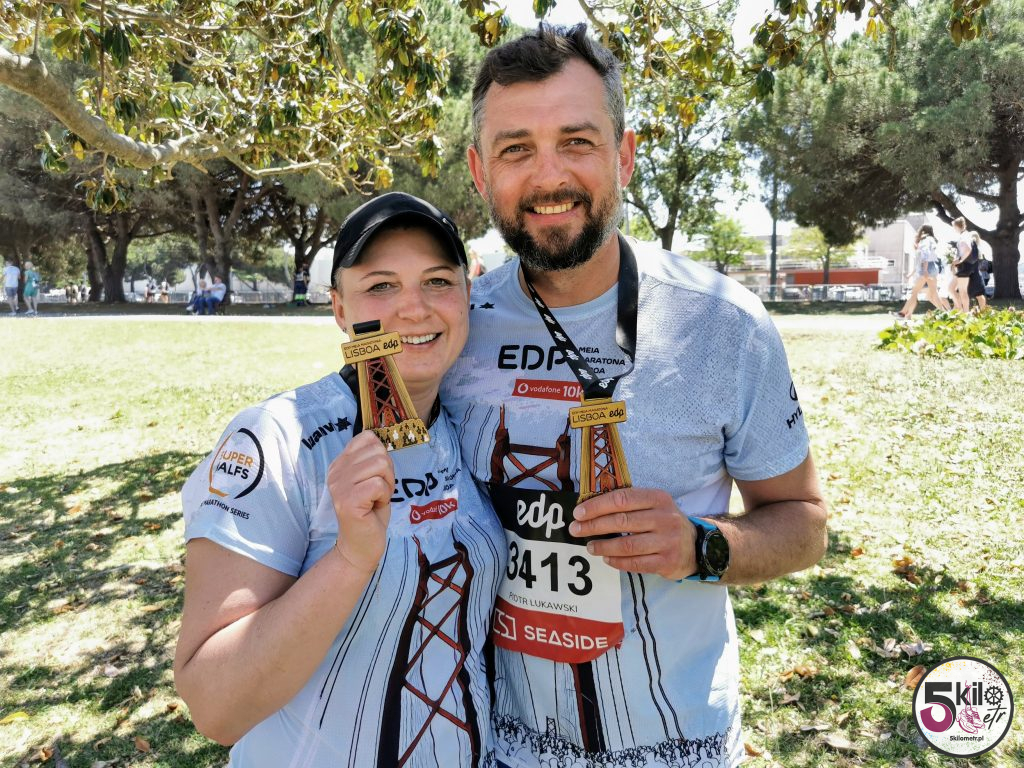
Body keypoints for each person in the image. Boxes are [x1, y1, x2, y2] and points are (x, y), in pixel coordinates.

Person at [442, 24, 828, 768]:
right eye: (516, 149)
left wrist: (701, 545)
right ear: (480, 171)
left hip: (677, 746)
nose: (548, 176)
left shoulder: (723, 323)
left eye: (577, 142)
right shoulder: (455, 328)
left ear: (623, 155)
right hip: (494, 745)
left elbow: (804, 524)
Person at [175, 192, 504, 765]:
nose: (414, 308)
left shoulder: (471, 427)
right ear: (339, 308)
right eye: (381, 285)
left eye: (437, 281)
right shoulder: (278, 438)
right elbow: (214, 706)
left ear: (466, 296)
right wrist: (349, 559)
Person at [891, 225, 949, 319]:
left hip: (927, 268)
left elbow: (926, 255)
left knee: (915, 292)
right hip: (932, 267)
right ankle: (945, 314)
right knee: (933, 294)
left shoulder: (925, 240)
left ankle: (903, 313)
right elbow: (921, 259)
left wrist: (925, 270)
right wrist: (912, 274)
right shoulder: (931, 239)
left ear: (922, 231)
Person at [948, 217, 973, 311]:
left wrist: (960, 260)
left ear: (957, 226)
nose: (954, 229)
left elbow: (968, 250)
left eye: (954, 227)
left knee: (962, 291)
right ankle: (960, 309)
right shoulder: (964, 235)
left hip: (964, 266)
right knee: (951, 288)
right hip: (963, 266)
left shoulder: (964, 236)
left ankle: (965, 312)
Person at [966, 231, 988, 312]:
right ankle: (983, 312)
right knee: (979, 295)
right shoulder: (977, 249)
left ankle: (966, 312)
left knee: (974, 295)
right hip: (976, 274)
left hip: (971, 274)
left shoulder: (973, 248)